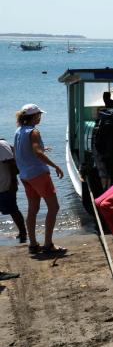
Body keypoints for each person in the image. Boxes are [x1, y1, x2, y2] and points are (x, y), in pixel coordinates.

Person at [13, 104, 65, 256]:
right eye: (38, 115)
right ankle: (48, 244)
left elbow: (19, 152)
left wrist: (42, 149)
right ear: (33, 116)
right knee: (53, 207)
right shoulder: (34, 131)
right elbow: (37, 153)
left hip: (25, 176)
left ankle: (33, 244)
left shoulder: (19, 131)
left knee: (32, 209)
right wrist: (56, 166)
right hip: (38, 174)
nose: (40, 117)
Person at [0, 136, 27, 243]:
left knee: (12, 210)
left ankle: (23, 233)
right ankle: (23, 233)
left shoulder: (1, 145)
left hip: (5, 185)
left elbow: (13, 164)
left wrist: (13, 182)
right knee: (12, 209)